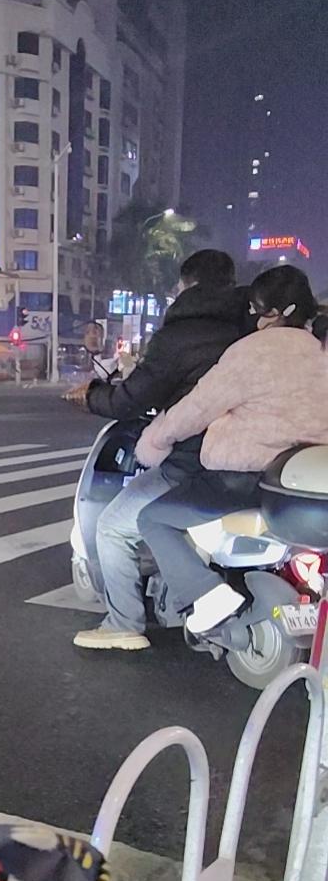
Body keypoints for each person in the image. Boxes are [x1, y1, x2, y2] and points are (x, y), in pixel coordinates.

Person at [135, 264, 328, 635]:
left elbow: (196, 409)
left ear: (272, 312)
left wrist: (156, 440)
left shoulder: (251, 352)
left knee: (153, 519)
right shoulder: (320, 350)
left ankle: (207, 595)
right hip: (304, 485)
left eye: (254, 308)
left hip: (241, 481)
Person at [71, 249, 249, 651]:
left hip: (195, 464)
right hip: (266, 463)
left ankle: (123, 622)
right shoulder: (252, 331)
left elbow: (131, 399)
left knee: (113, 526)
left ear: (187, 285)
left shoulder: (179, 335)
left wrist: (91, 396)